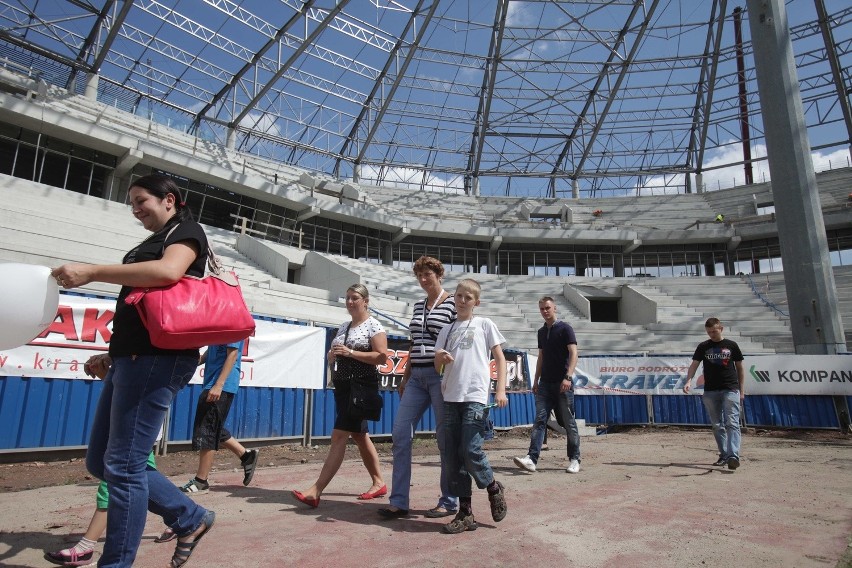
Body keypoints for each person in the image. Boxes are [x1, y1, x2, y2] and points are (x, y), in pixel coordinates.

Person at [51, 174, 215, 568]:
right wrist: (114, 354)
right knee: (101, 461)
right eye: (132, 203)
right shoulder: (152, 241)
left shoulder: (187, 231)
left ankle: (116, 563)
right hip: (133, 358)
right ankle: (189, 516)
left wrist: (92, 271)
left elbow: (167, 274)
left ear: (170, 200)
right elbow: (143, 305)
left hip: (159, 359)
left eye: (142, 200)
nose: (136, 208)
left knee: (123, 465)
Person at [291, 284, 388, 507]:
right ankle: (378, 482)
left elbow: (382, 357)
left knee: (339, 436)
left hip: (360, 388)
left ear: (366, 301)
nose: (350, 302)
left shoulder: (374, 325)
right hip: (343, 388)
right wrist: (332, 356)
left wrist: (351, 352)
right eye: (347, 298)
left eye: (355, 298)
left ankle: (315, 491)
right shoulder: (344, 326)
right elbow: (338, 352)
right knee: (359, 435)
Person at [379, 256, 458, 519]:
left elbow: (458, 341)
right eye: (420, 276)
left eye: (428, 275)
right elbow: (414, 343)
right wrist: (404, 376)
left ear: (439, 275)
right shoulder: (417, 306)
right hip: (416, 378)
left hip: (440, 377)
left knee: (445, 439)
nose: (424, 280)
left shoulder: (452, 304)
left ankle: (449, 501)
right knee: (401, 433)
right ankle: (399, 501)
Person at [433, 278, 508, 534]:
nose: (462, 300)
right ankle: (465, 513)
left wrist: (500, 389)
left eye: (468, 297)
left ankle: (493, 487)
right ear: (454, 297)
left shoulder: (484, 324)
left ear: (477, 302)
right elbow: (438, 366)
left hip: (475, 396)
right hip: (451, 398)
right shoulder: (447, 330)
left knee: (471, 449)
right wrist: (440, 359)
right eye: (459, 295)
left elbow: (499, 357)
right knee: (454, 457)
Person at [179, 340, 259, 494]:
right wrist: (197, 361)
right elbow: (213, 349)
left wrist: (219, 385)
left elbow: (232, 354)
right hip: (213, 383)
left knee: (207, 430)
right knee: (212, 426)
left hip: (220, 385)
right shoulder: (221, 323)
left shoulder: (233, 320)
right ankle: (246, 456)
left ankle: (201, 481)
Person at [513, 297, 581, 474]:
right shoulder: (541, 332)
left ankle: (574, 459)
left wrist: (568, 377)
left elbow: (574, 353)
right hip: (545, 384)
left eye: (547, 308)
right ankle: (531, 459)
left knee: (568, 422)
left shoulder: (566, 329)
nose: (545, 311)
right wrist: (535, 380)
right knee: (540, 420)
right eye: (542, 308)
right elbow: (541, 357)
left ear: (555, 308)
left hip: (562, 384)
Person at [683, 317, 745, 470]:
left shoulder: (731, 345)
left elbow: (740, 368)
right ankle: (724, 454)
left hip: (730, 388)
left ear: (721, 329)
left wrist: (741, 390)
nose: (712, 334)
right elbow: (694, 364)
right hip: (710, 390)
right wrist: (689, 380)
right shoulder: (703, 346)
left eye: (714, 331)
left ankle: (733, 455)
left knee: (732, 422)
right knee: (717, 424)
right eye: (709, 332)